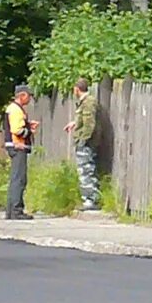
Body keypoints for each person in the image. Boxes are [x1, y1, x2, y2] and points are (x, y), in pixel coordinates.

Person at [1, 85, 35, 219]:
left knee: (15, 179)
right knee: (19, 180)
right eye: (28, 95)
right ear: (22, 95)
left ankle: (10, 211)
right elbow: (17, 130)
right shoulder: (16, 110)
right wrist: (29, 131)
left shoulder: (12, 109)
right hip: (18, 146)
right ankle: (16, 211)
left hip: (14, 146)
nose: (30, 98)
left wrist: (27, 124)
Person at [67, 78, 99, 213]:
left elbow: (89, 123)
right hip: (84, 140)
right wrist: (74, 123)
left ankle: (90, 199)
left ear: (77, 89)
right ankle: (88, 198)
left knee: (85, 170)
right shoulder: (84, 102)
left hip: (86, 142)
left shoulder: (88, 102)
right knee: (85, 169)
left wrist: (83, 140)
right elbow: (83, 120)